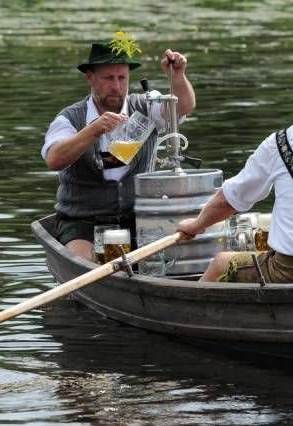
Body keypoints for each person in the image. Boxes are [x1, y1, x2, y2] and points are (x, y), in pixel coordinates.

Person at [42, 36, 196, 261]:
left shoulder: (145, 106)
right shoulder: (69, 118)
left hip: (139, 220)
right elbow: (54, 159)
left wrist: (178, 76)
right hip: (84, 222)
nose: (116, 86)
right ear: (90, 78)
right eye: (108, 78)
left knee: (175, 262)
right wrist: (93, 130)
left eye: (122, 78)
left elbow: (183, 106)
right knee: (82, 262)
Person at [177, 125, 293, 283]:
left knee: (220, 264)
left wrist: (196, 225)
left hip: (286, 272)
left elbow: (227, 201)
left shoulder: (283, 143)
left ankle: (190, 308)